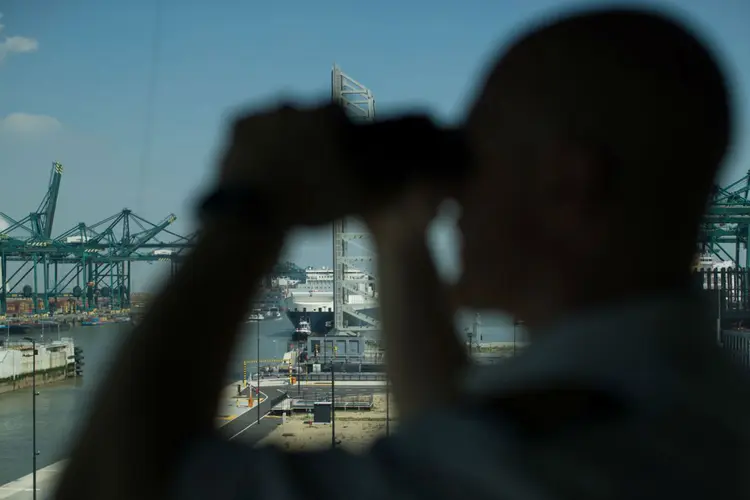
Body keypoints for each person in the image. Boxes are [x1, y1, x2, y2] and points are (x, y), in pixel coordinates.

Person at [54, 7, 750, 500]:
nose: (454, 197)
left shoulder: (566, 450)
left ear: (569, 184)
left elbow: (112, 484)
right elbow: (453, 426)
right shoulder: (685, 401)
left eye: (469, 155)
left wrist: (248, 207)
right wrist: (400, 231)